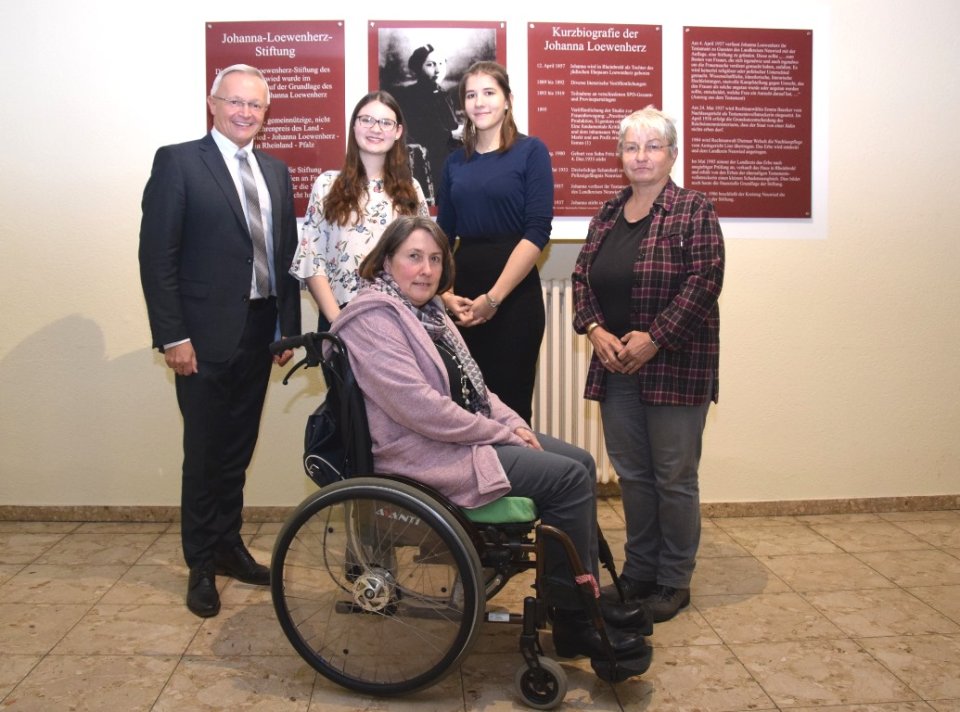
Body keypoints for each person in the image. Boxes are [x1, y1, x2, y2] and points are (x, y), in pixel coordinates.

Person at [331, 216, 652, 672]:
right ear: (386, 261)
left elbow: (475, 389)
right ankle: (573, 620)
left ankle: (585, 597)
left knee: (579, 461)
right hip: (421, 453)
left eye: (435, 259)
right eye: (413, 257)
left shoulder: (428, 313)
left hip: (455, 438)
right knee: (566, 479)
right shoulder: (373, 318)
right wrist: (501, 434)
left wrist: (514, 424)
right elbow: (420, 408)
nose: (426, 270)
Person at [139, 64, 302, 618]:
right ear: (213, 104)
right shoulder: (179, 162)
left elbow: (285, 255)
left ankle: (229, 546)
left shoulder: (275, 171)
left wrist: (286, 328)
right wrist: (173, 336)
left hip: (259, 331)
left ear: (265, 113)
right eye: (235, 101)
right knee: (205, 452)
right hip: (202, 338)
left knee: (237, 449)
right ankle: (202, 564)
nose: (244, 112)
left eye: (255, 105)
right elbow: (157, 258)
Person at [572, 107, 724, 623]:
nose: (641, 156)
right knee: (634, 476)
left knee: (674, 478)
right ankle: (639, 572)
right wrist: (594, 331)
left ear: (672, 155)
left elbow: (705, 281)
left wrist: (654, 339)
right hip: (616, 367)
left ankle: (673, 581)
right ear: (620, 156)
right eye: (632, 147)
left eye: (653, 146)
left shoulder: (694, 209)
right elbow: (581, 279)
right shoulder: (608, 213)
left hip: (675, 367)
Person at [437, 61, 553, 424]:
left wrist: (494, 299)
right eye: (471, 95)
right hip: (463, 300)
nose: (479, 102)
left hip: (513, 297)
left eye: (489, 92)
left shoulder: (531, 151)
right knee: (464, 409)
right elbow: (443, 235)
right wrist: (445, 293)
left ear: (508, 100)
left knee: (511, 411)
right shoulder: (454, 163)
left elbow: (537, 231)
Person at [290, 91, 428, 331]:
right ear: (354, 125)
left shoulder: (412, 189)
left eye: (385, 122)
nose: (376, 129)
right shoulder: (327, 185)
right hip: (340, 316)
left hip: (401, 318)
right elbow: (312, 259)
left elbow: (424, 257)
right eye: (367, 120)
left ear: (398, 132)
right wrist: (338, 320)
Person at [393, 45, 461, 203]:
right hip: (428, 159)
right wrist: (452, 134)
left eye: (441, 64)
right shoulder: (412, 95)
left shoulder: (442, 93)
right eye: (430, 65)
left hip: (449, 155)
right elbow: (420, 131)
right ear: (418, 68)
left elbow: (452, 124)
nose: (438, 70)